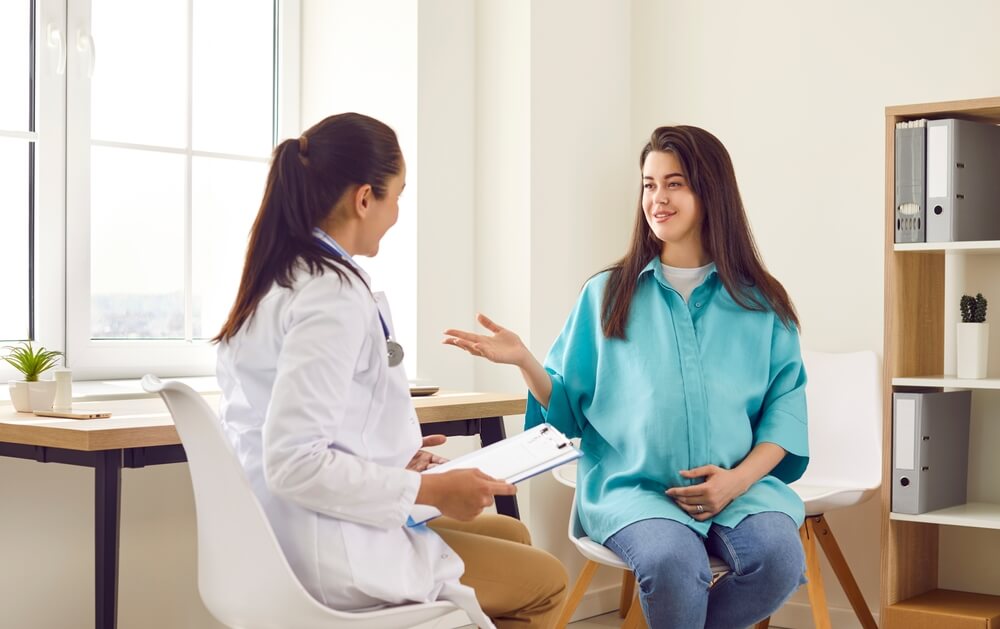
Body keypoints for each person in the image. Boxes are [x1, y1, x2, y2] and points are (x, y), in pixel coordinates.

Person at [444, 125, 808, 628]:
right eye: (648, 184)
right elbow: (567, 413)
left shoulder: (761, 302)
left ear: (711, 191)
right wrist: (527, 361)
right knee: (671, 561)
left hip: (739, 489)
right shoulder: (606, 295)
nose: (657, 199)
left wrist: (735, 482)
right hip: (633, 491)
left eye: (674, 183)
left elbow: (784, 414)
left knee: (781, 559)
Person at [213, 112, 567, 629]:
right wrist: (428, 491)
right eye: (397, 195)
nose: (398, 212)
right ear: (363, 199)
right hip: (327, 553)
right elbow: (293, 462)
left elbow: (309, 430)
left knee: (511, 536)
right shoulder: (330, 295)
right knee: (546, 583)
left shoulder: (280, 279)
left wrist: (394, 462)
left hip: (281, 533)